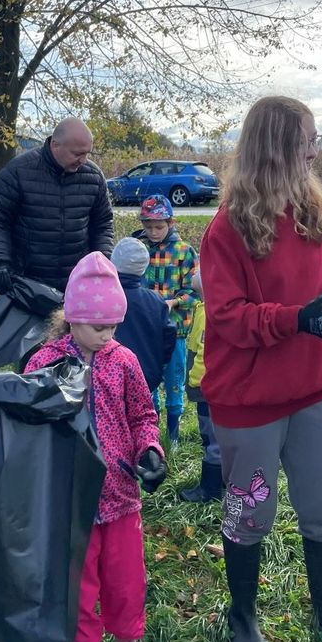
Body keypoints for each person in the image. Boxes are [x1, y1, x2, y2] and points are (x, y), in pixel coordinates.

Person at [200, 95, 322, 642]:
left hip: (312, 390)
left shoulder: (316, 213)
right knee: (250, 513)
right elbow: (228, 316)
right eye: (308, 139)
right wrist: (297, 318)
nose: (315, 150)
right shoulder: (228, 228)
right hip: (249, 399)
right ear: (279, 145)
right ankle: (242, 617)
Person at [24, 252, 166, 642]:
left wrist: (150, 449)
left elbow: (142, 415)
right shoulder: (44, 364)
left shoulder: (123, 361)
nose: (108, 335)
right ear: (72, 317)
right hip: (70, 504)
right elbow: (27, 425)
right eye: (98, 326)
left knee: (125, 584)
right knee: (78, 593)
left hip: (120, 497)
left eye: (114, 327)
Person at [0, 118, 113, 293]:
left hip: (78, 283)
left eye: (87, 154)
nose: (83, 160)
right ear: (55, 145)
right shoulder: (18, 171)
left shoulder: (94, 177)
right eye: (77, 154)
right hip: (26, 283)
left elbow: (103, 224)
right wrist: (0, 262)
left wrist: (103, 261)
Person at [134, 194, 198, 445]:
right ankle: (150, 434)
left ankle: (173, 438)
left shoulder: (184, 252)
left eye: (159, 227)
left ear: (171, 223)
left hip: (175, 329)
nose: (153, 232)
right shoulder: (139, 249)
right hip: (145, 331)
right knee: (146, 381)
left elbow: (194, 291)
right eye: (148, 226)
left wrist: (173, 302)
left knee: (174, 381)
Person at [110, 236, 177, 394]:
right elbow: (169, 335)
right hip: (146, 375)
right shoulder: (155, 300)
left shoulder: (105, 297)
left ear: (113, 263)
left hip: (110, 376)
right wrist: (159, 364)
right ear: (144, 267)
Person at [179, 268, 224, 504]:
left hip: (207, 389)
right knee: (214, 436)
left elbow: (205, 353)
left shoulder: (210, 313)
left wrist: (195, 382)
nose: (195, 272)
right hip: (208, 387)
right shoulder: (202, 307)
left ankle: (210, 490)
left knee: (211, 438)